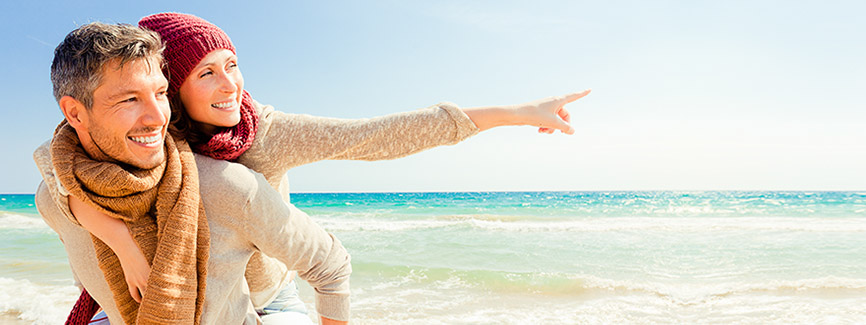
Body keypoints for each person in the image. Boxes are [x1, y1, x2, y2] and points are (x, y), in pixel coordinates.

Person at [65, 12, 590, 323]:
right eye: (206, 72)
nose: (231, 85)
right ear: (170, 88)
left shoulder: (264, 133)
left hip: (269, 301)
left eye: (233, 64)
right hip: (177, 299)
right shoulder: (146, 133)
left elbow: (376, 136)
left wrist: (514, 114)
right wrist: (119, 242)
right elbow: (57, 164)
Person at [35, 22, 352, 324]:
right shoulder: (55, 199)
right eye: (130, 99)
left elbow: (330, 265)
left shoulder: (227, 188)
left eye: (160, 94)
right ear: (74, 113)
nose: (157, 117)